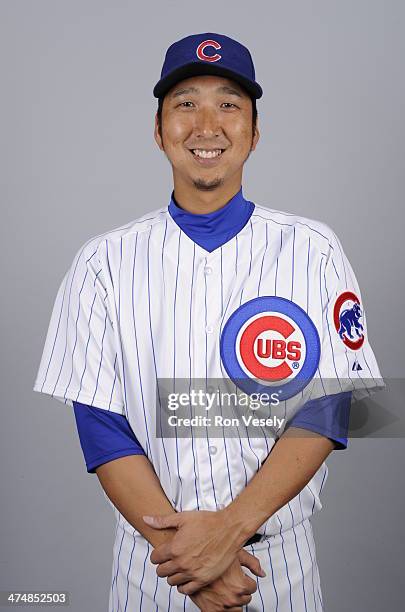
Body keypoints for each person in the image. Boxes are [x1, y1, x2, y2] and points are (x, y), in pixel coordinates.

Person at [33, 32, 384, 611]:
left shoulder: (313, 249)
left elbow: (329, 405)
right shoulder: (103, 262)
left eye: (228, 104)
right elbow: (100, 424)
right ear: (158, 129)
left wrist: (227, 532)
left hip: (277, 565)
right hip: (155, 568)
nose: (206, 125)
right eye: (185, 103)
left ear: (254, 130)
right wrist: (190, 560)